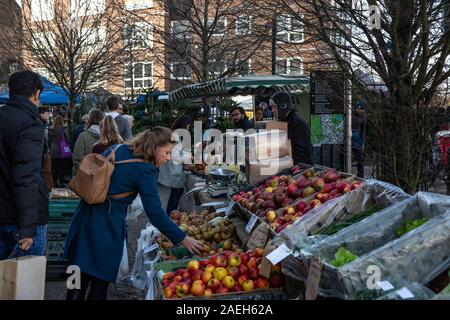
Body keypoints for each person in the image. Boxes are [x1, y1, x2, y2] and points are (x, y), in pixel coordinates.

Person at [64, 127, 203, 300]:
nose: (168, 158)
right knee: (100, 280)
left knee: (76, 272)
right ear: (155, 147)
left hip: (85, 216)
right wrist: (182, 238)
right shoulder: (145, 169)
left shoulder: (118, 148)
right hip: (106, 224)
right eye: (167, 152)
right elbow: (156, 213)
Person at [0, 70, 49, 259]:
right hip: (19, 220)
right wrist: (28, 228)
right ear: (36, 94)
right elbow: (26, 177)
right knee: (22, 284)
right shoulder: (30, 124)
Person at [158, 115, 192, 214]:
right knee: (176, 192)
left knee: (177, 192)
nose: (189, 128)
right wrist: (188, 158)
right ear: (185, 125)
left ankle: (172, 213)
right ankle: (170, 214)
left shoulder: (175, 134)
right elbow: (175, 156)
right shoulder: (176, 136)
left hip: (173, 168)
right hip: (173, 169)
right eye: (188, 126)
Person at [269, 92, 312, 165]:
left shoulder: (297, 123)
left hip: (298, 170)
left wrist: (287, 165)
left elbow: (302, 154)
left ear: (283, 106)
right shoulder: (285, 121)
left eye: (274, 107)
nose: (272, 110)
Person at [72, 109, 104, 175]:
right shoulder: (108, 137)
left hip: (86, 176)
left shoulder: (83, 136)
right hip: (103, 177)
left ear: (89, 119)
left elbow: (77, 158)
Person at [48, 115, 70, 188]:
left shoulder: (50, 130)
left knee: (54, 168)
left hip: (53, 151)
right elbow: (67, 140)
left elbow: (49, 141)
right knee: (61, 168)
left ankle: (54, 182)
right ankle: (61, 182)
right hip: (62, 152)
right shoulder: (64, 129)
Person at [39, 107, 53, 190]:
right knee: (46, 171)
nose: (48, 115)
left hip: (44, 151)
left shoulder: (44, 123)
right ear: (41, 114)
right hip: (42, 152)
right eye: (46, 114)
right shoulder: (40, 123)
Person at [352, 101, 366, 178]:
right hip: (349, 135)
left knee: (360, 158)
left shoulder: (363, 117)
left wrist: (363, 141)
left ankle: (360, 176)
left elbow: (363, 130)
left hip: (358, 138)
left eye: (360, 109)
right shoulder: (350, 115)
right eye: (357, 108)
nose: (358, 110)